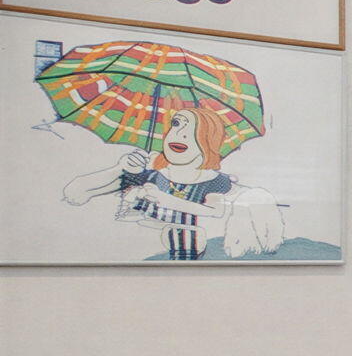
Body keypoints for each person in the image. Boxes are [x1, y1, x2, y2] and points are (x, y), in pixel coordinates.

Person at [62, 107, 281, 259]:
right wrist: (119, 168)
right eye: (176, 124)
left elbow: (215, 211)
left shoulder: (213, 181)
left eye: (194, 130)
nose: (180, 134)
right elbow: (75, 194)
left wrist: (165, 199)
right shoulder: (147, 175)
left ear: (210, 139)